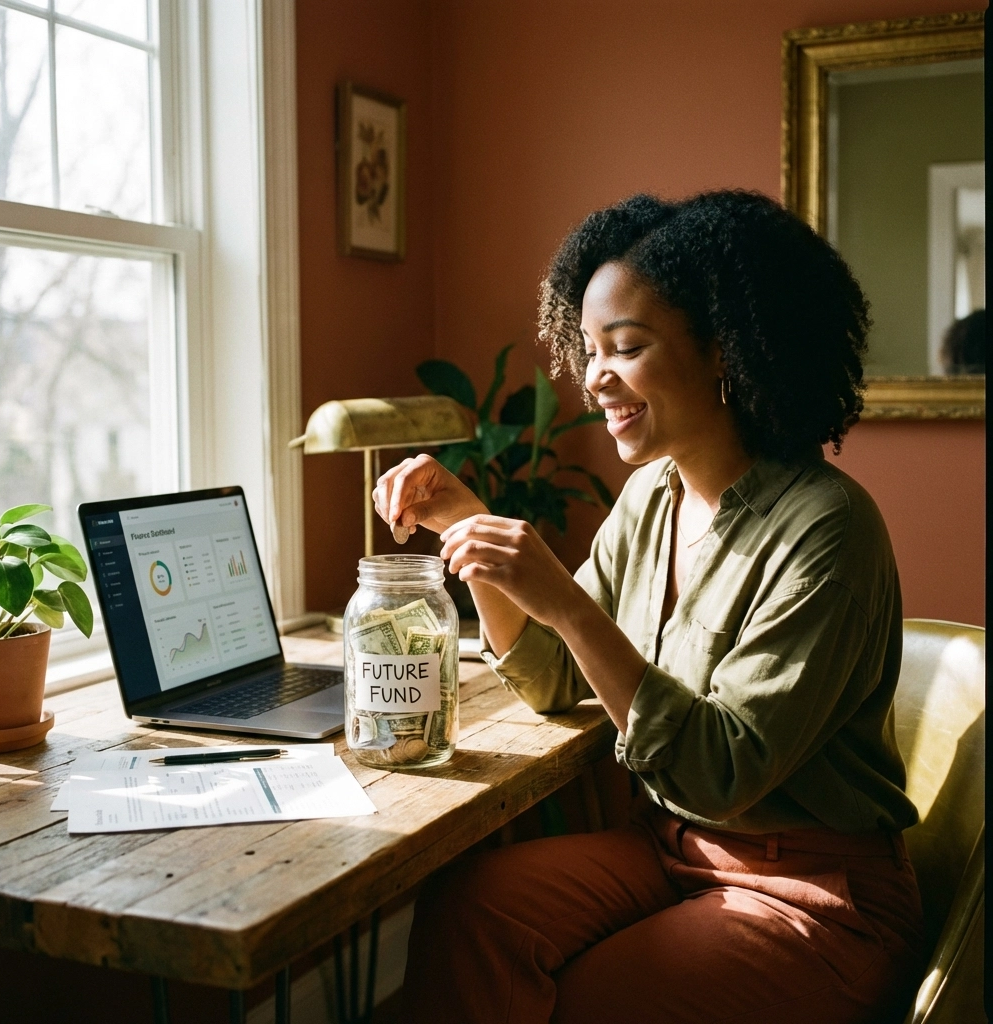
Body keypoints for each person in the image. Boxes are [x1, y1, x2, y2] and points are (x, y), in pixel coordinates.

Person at [374, 191, 924, 1024]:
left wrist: (564, 597)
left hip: (812, 892)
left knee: (592, 1003)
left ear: (723, 352)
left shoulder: (829, 529)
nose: (594, 378)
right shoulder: (649, 498)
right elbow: (558, 677)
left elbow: (718, 771)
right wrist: (468, 529)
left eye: (625, 348)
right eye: (589, 349)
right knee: (472, 913)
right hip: (670, 849)